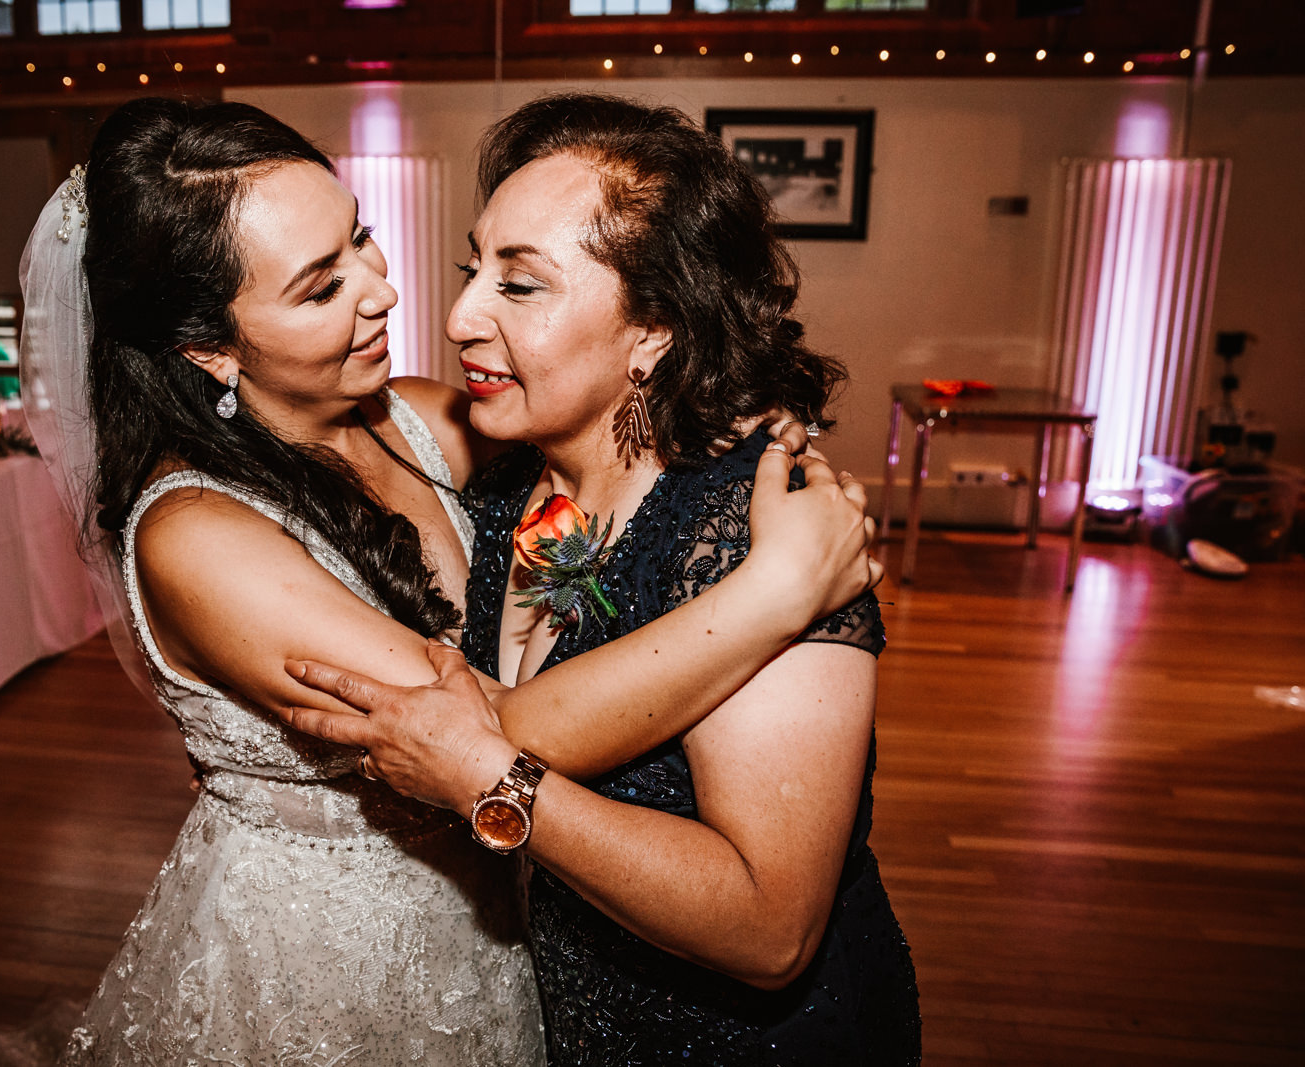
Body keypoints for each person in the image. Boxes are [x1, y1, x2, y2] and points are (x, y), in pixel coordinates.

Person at [10, 97, 882, 1065]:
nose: (391, 293)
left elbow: (615, 430)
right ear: (210, 346)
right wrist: (772, 596)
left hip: (514, 938)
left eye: (361, 239)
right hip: (325, 965)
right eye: (318, 286)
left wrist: (738, 417)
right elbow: (474, 728)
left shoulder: (421, 422)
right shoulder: (195, 534)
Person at [285, 93, 921, 1065]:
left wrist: (489, 784)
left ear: (655, 326)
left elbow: (768, 928)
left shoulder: (754, 526)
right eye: (472, 268)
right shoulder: (504, 481)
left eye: (521, 285)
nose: (458, 315)